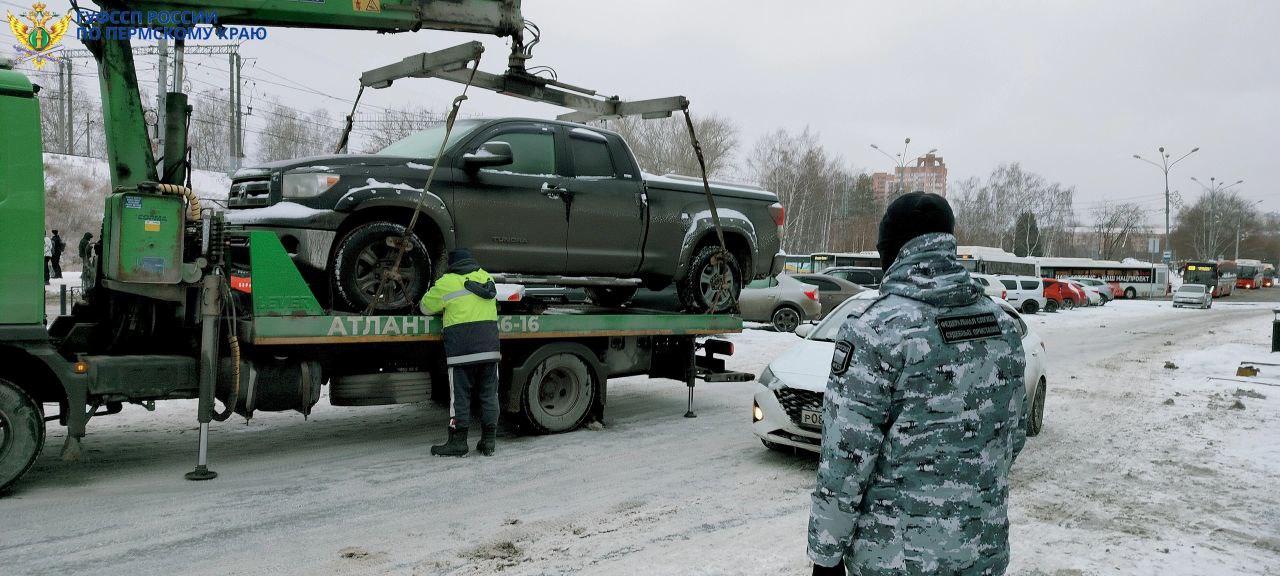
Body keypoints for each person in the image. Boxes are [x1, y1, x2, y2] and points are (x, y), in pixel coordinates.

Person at [808, 192, 1027, 576]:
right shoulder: (1002, 326)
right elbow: (1014, 434)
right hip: (982, 551)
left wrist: (825, 556)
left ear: (892, 251)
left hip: (896, 560)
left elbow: (846, 458)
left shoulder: (876, 330)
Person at [420, 249, 501, 457]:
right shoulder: (486, 277)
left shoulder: (448, 281)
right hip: (490, 350)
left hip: (462, 352)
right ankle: (489, 442)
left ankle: (458, 442)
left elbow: (425, 307)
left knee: (460, 399)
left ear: (452, 265)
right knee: (489, 396)